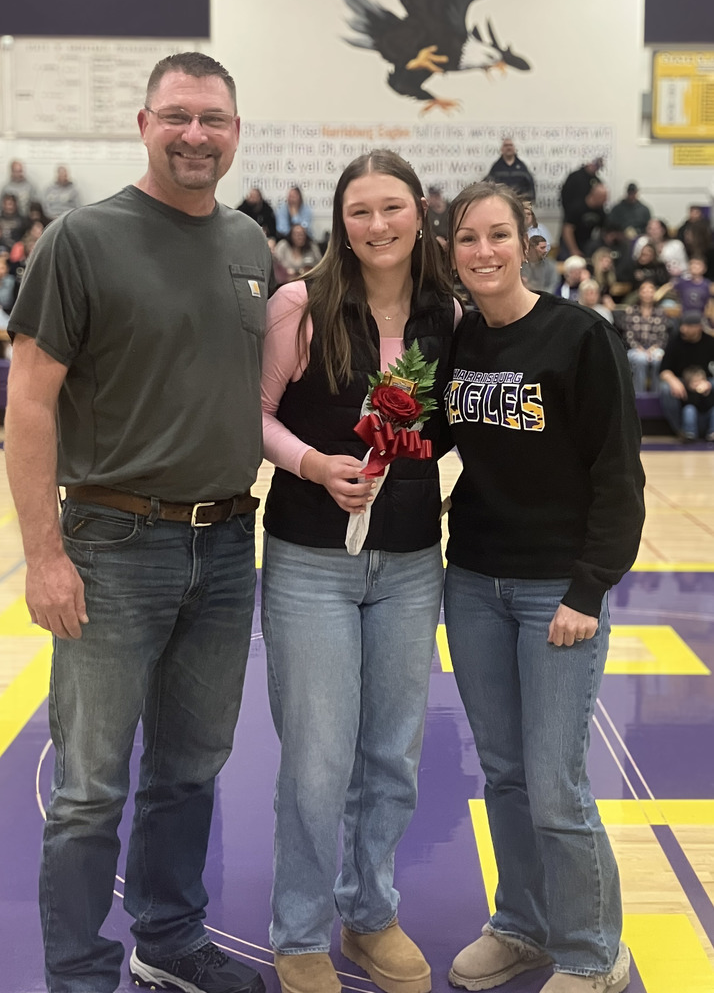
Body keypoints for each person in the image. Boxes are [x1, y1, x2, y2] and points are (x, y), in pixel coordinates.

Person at [4, 51, 272, 993]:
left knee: (191, 768)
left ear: (237, 132)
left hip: (230, 543)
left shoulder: (249, 245)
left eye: (215, 120)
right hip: (114, 546)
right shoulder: (82, 238)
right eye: (179, 116)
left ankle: (168, 938)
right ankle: (79, 974)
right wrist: (44, 556)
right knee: (88, 789)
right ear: (144, 122)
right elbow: (30, 404)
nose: (196, 135)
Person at [260, 149, 459, 993]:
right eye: (358, 212)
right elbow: (253, 415)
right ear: (339, 223)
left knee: (392, 757)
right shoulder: (298, 306)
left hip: (413, 563)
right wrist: (313, 464)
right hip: (310, 562)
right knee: (316, 759)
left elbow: (453, 424)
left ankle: (369, 914)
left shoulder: (447, 314)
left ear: (419, 211)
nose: (376, 226)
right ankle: (299, 931)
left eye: (391, 208)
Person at [443, 181, 644, 993]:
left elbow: (618, 477)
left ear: (529, 241)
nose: (483, 252)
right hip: (474, 583)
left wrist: (587, 590)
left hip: (555, 590)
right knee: (504, 773)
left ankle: (594, 952)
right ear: (450, 253)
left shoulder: (579, 337)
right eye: (467, 239)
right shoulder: (459, 343)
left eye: (499, 235)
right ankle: (522, 925)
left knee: (556, 781)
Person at [658, 311, 714, 442]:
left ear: (698, 327)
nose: (683, 329)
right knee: (666, 389)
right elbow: (663, 370)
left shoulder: (710, 343)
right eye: (683, 325)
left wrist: (708, 383)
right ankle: (681, 431)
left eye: (688, 326)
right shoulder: (674, 342)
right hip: (681, 381)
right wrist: (673, 381)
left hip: (706, 381)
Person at [623, 281, 669, 393]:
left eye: (651, 290)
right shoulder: (631, 311)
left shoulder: (660, 312)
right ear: (639, 293)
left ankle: (656, 394)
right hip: (635, 348)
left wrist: (652, 349)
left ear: (654, 293)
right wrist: (640, 349)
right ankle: (639, 394)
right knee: (640, 359)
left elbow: (663, 335)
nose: (647, 293)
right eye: (644, 290)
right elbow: (628, 335)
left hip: (655, 348)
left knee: (659, 358)